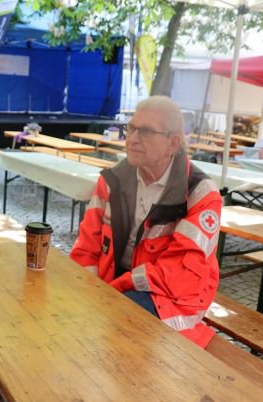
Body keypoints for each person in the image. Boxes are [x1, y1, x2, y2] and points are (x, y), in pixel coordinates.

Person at [70, 96, 222, 348]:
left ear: (172, 143)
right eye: (131, 128)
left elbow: (180, 272)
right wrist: (89, 290)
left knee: (117, 325)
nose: (133, 138)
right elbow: (86, 248)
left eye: (146, 131)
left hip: (169, 296)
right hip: (115, 284)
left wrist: (116, 288)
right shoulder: (113, 180)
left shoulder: (200, 193)